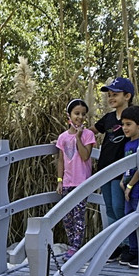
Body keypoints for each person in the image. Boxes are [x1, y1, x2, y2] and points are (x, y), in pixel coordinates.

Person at [89, 77, 139, 262]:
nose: (110, 98)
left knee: (119, 208)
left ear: (127, 96)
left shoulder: (134, 117)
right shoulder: (108, 118)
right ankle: (115, 245)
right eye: (109, 95)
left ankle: (126, 245)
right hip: (105, 169)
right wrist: (66, 138)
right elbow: (91, 131)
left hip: (122, 172)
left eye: (115, 94)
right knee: (109, 208)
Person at [56, 98, 97, 258]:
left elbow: (85, 156)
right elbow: (61, 160)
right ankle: (72, 244)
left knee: (79, 217)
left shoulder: (88, 135)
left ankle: (75, 247)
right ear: (69, 115)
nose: (80, 117)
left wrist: (79, 137)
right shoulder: (62, 137)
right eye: (76, 113)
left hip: (82, 183)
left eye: (83, 114)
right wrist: (59, 180)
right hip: (67, 182)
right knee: (67, 218)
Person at [117, 105, 139, 268]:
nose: (124, 128)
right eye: (123, 124)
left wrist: (130, 184)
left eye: (128, 124)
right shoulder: (127, 144)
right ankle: (133, 251)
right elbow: (127, 166)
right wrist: (124, 181)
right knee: (128, 217)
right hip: (128, 187)